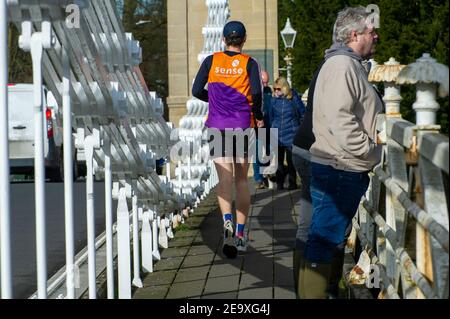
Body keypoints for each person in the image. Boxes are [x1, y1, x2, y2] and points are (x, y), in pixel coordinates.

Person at [298, 6, 383, 298]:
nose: (377, 37)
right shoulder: (342, 67)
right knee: (323, 238)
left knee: (327, 237)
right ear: (354, 34)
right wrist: (372, 153)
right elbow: (340, 120)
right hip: (341, 167)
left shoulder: (344, 64)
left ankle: (323, 292)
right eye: (372, 32)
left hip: (339, 165)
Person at [192, 21, 264, 258]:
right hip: (242, 125)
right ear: (244, 40)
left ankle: (227, 222)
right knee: (242, 179)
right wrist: (259, 116)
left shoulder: (211, 61)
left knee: (225, 179)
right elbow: (255, 92)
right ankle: (241, 234)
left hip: (217, 125)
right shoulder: (249, 64)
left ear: (223, 40)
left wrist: (212, 100)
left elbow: (195, 91)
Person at [269, 77, 305, 190]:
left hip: (292, 133)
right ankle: (279, 183)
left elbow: (302, 113)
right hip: (277, 133)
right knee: (278, 161)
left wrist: (300, 129)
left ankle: (292, 183)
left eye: (278, 89)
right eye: (274, 89)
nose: (276, 91)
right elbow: (270, 117)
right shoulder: (273, 100)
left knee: (291, 161)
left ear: (285, 88)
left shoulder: (294, 98)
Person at [253, 70, 272, 189]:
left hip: (270, 126)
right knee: (257, 153)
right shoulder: (253, 92)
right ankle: (258, 178)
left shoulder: (270, 91)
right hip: (257, 127)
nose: (265, 85)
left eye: (266, 83)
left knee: (270, 153)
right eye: (263, 82)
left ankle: (266, 175)